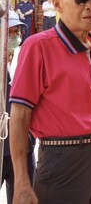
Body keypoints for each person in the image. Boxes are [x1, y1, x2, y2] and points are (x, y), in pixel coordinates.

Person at [9, 0, 91, 203]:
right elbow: (19, 115)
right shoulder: (38, 47)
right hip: (62, 160)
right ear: (57, 4)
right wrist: (22, 181)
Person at [1, 11, 36, 204]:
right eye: (9, 32)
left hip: (23, 144)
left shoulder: (25, 57)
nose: (14, 36)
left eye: (17, 31)